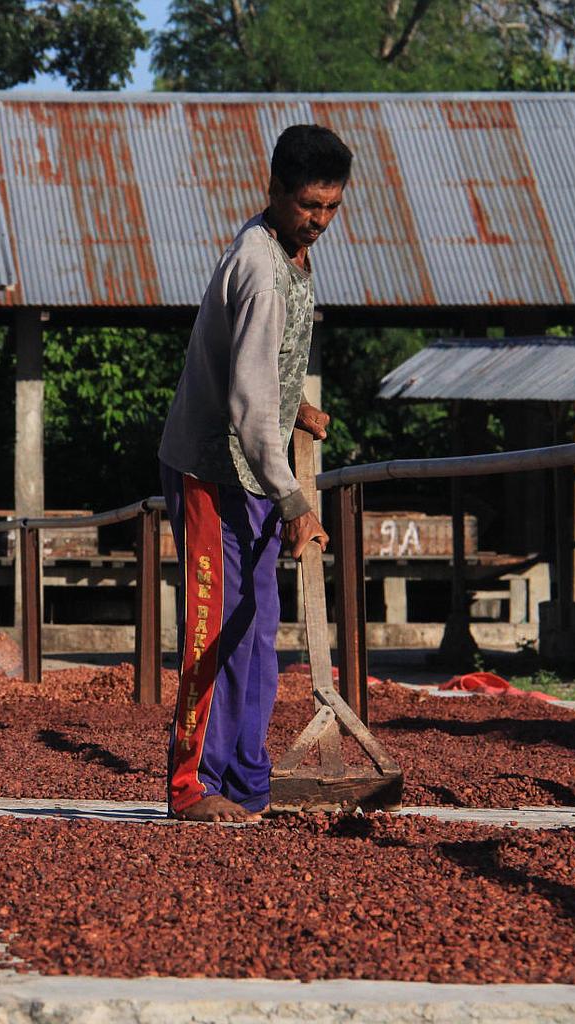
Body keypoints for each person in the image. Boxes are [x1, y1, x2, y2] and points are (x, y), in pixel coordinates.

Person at [158, 124, 351, 823]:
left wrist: (293, 401)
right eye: (308, 206)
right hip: (216, 470)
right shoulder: (262, 268)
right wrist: (298, 501)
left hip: (255, 467)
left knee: (257, 629)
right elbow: (244, 404)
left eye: (332, 207)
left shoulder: (291, 251)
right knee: (214, 628)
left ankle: (246, 780)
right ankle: (191, 787)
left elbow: (248, 363)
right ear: (273, 191)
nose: (321, 221)